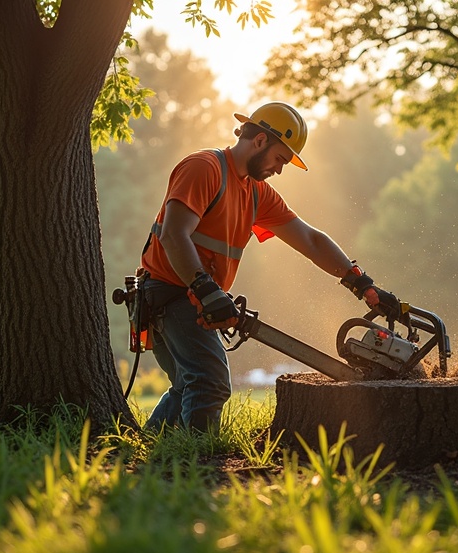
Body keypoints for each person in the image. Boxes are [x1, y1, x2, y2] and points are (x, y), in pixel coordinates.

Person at [139, 101, 399, 432]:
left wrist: (362, 284)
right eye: (280, 158)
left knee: (187, 385)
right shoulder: (204, 168)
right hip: (170, 292)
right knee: (210, 381)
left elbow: (310, 239)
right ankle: (196, 466)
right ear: (260, 140)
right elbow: (175, 235)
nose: (279, 169)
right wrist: (206, 290)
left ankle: (151, 458)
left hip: (194, 295)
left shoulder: (256, 192)